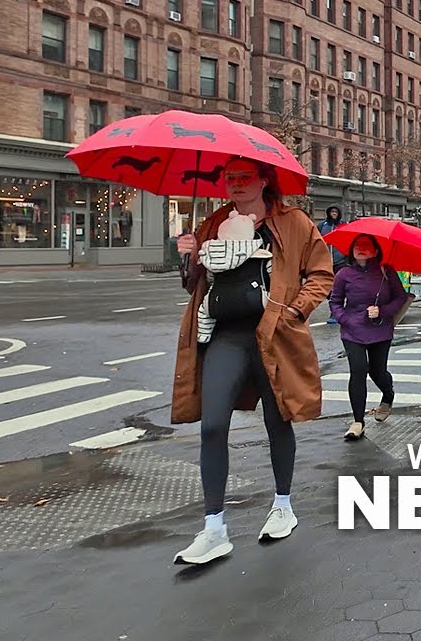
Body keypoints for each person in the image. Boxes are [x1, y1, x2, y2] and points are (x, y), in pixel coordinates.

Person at [171, 158, 334, 565]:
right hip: (226, 335)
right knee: (211, 424)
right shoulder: (214, 223)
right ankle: (214, 529)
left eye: (244, 178)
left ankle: (283, 504)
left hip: (274, 335)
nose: (236, 185)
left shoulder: (293, 223)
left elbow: (321, 274)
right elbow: (195, 284)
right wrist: (188, 258)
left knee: (277, 418)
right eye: (230, 179)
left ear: (264, 180)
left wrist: (295, 311)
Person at [330, 234, 409, 439]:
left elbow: (401, 297)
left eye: (366, 246)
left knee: (377, 371)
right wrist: (344, 319)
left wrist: (382, 311)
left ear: (375, 250)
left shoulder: (385, 271)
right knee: (358, 370)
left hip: (380, 330)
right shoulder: (343, 274)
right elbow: (335, 302)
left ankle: (388, 394)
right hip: (352, 331)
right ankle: (358, 421)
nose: (361, 249)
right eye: (357, 246)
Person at [318, 206, 347, 324]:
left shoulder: (343, 225)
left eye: (336, 212)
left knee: (338, 286)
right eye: (332, 212)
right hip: (326, 261)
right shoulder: (322, 226)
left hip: (341, 261)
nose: (334, 214)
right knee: (327, 287)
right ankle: (335, 306)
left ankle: (335, 312)